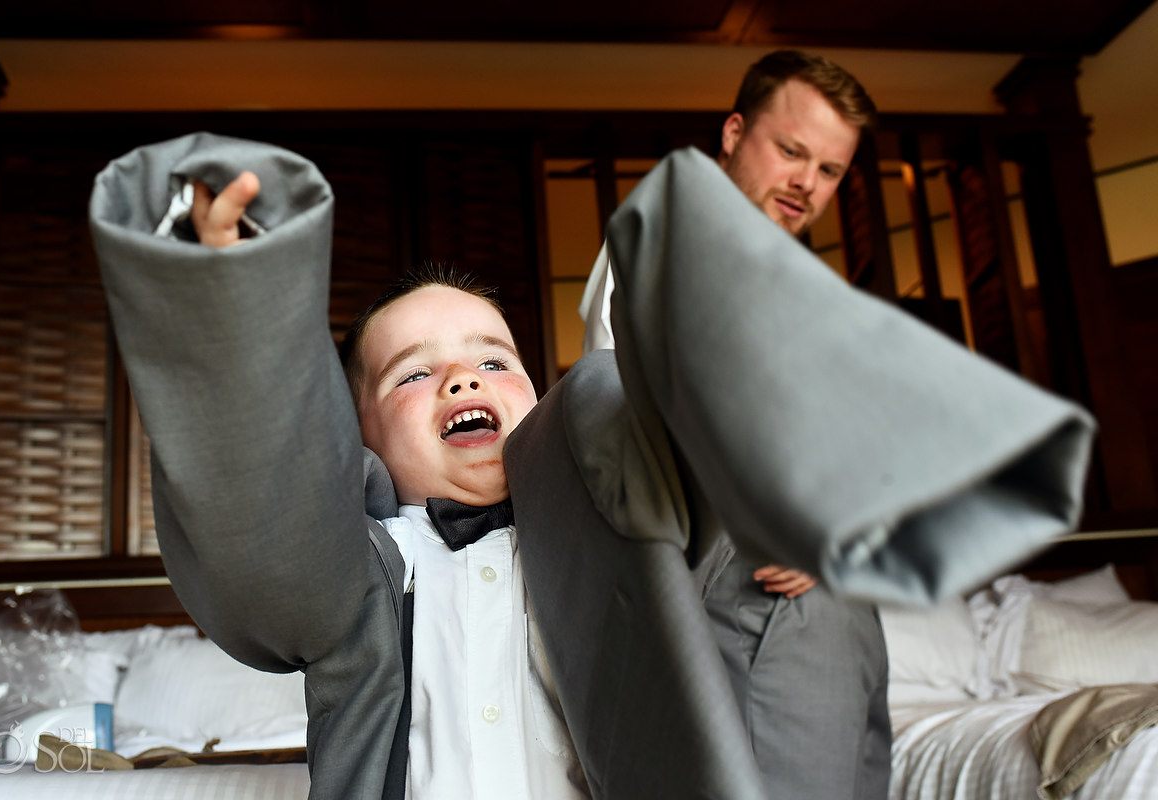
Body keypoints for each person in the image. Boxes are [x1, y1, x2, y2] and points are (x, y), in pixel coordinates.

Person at [89, 131, 1093, 800]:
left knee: (632, 410)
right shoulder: (365, 569)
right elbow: (267, 510)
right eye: (414, 373)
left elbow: (724, 574)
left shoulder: (621, 526)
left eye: (493, 359)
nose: (459, 380)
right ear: (357, 442)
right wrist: (230, 296)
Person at [579, 50, 889, 800]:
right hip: (758, 598)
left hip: (842, 605)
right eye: (790, 151)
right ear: (733, 131)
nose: (805, 184)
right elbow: (641, 425)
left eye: (829, 171)